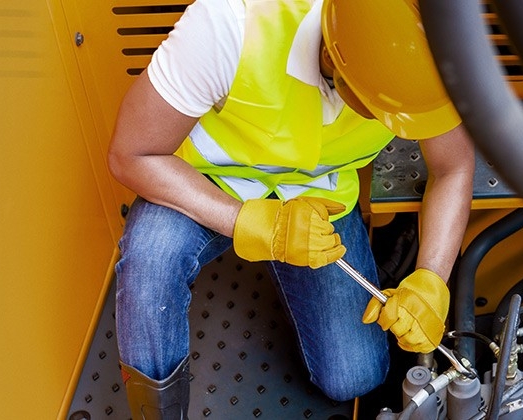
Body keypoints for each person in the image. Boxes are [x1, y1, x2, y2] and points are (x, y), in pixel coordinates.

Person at [107, 0, 475, 417]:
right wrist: (244, 221)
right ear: (335, 56)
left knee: (354, 377)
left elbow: (454, 166)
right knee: (151, 257)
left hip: (318, 200)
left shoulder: (431, 56)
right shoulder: (232, 22)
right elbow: (132, 155)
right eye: (386, 109)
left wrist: (431, 278)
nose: (394, 125)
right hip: (210, 182)